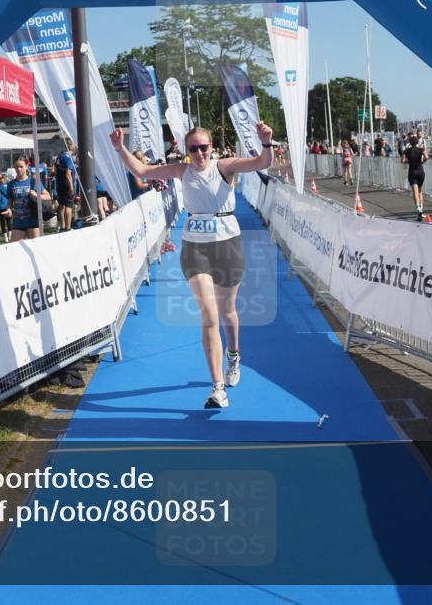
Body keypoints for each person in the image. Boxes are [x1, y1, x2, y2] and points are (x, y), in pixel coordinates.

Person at [110, 121, 275, 409]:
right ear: (186, 151)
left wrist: (266, 142)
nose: (199, 153)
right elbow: (141, 171)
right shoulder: (181, 170)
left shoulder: (225, 167)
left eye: (204, 148)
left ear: (212, 148)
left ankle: (234, 356)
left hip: (227, 244)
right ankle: (217, 387)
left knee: (228, 311)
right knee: (209, 315)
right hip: (195, 248)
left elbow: (263, 162)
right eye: (193, 149)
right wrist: (119, 148)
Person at [6, 158, 49, 240]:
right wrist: (9, 209)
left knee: (36, 249)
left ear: (26, 167)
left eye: (21, 166)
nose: (19, 169)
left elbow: (47, 196)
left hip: (33, 221)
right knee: (14, 249)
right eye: (16, 167)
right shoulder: (11, 184)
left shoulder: (33, 181)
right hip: (18, 222)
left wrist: (37, 195)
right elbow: (9, 202)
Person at [402, 133, 428, 220]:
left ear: (410, 142)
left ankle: (418, 209)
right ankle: (421, 209)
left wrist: (408, 162)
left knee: (415, 192)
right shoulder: (421, 149)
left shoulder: (406, 150)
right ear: (417, 142)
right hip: (420, 171)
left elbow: (403, 160)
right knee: (420, 191)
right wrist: (422, 162)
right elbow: (427, 157)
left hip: (412, 172)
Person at [54, 139, 78, 231]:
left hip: (60, 184)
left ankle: (62, 226)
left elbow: (54, 170)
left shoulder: (59, 156)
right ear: (71, 146)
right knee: (68, 206)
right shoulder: (68, 158)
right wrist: (71, 187)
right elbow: (68, 173)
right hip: (67, 185)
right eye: (74, 146)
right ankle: (68, 227)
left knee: (61, 205)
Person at [0, 168, 14, 242]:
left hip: (0, 206)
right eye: (1, 178)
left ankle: (6, 237)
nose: (2, 179)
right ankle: (10, 236)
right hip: (7, 206)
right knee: (8, 221)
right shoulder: (7, 186)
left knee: (3, 222)